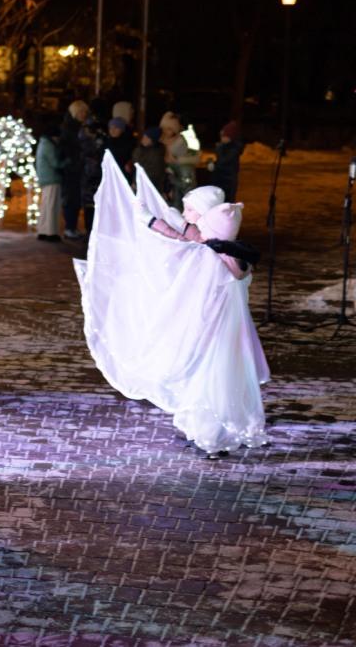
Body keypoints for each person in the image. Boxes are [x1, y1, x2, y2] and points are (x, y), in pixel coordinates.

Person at [75, 153, 269, 456]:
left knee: (209, 380)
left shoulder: (209, 258)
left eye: (191, 209)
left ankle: (211, 436)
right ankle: (203, 429)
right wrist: (155, 219)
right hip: (220, 335)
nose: (186, 211)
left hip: (211, 335)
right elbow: (184, 234)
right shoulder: (223, 254)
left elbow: (182, 247)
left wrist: (152, 222)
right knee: (208, 379)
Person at [59, 100, 89, 239]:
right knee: (71, 198)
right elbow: (69, 147)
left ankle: (72, 226)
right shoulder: (70, 128)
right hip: (72, 168)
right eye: (82, 112)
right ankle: (69, 227)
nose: (85, 114)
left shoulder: (78, 127)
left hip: (77, 166)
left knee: (76, 198)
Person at [160, 112, 200, 209]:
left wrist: (178, 161)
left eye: (170, 129)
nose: (167, 131)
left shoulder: (184, 140)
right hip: (166, 176)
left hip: (181, 174)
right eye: (165, 128)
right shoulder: (160, 140)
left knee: (180, 202)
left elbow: (196, 157)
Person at [34, 121, 64, 242]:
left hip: (46, 178)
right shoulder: (49, 145)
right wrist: (67, 163)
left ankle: (43, 230)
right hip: (52, 178)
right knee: (52, 206)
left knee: (46, 205)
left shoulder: (43, 143)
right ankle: (51, 232)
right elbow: (55, 163)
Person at [209, 121, 245, 203]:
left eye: (223, 136)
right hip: (221, 180)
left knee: (227, 204)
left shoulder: (234, 148)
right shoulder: (225, 147)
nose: (221, 138)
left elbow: (223, 161)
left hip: (228, 182)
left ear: (229, 137)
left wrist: (219, 148)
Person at [131, 126, 165, 193]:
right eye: (144, 137)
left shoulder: (156, 153)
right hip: (138, 183)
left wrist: (137, 183)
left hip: (148, 187)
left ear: (152, 140)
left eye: (147, 138)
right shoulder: (140, 149)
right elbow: (136, 164)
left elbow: (152, 172)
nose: (143, 139)